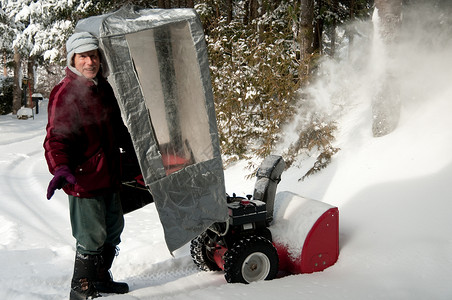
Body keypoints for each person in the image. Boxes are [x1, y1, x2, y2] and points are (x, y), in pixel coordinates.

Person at [44, 32, 133, 299]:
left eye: (93, 55)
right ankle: (80, 286)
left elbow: (117, 129)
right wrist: (60, 167)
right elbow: (56, 137)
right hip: (83, 178)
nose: (90, 62)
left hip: (109, 174)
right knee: (91, 235)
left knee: (113, 230)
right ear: (73, 59)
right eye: (83, 56)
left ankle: (101, 278)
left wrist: (136, 155)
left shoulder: (102, 87)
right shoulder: (65, 92)